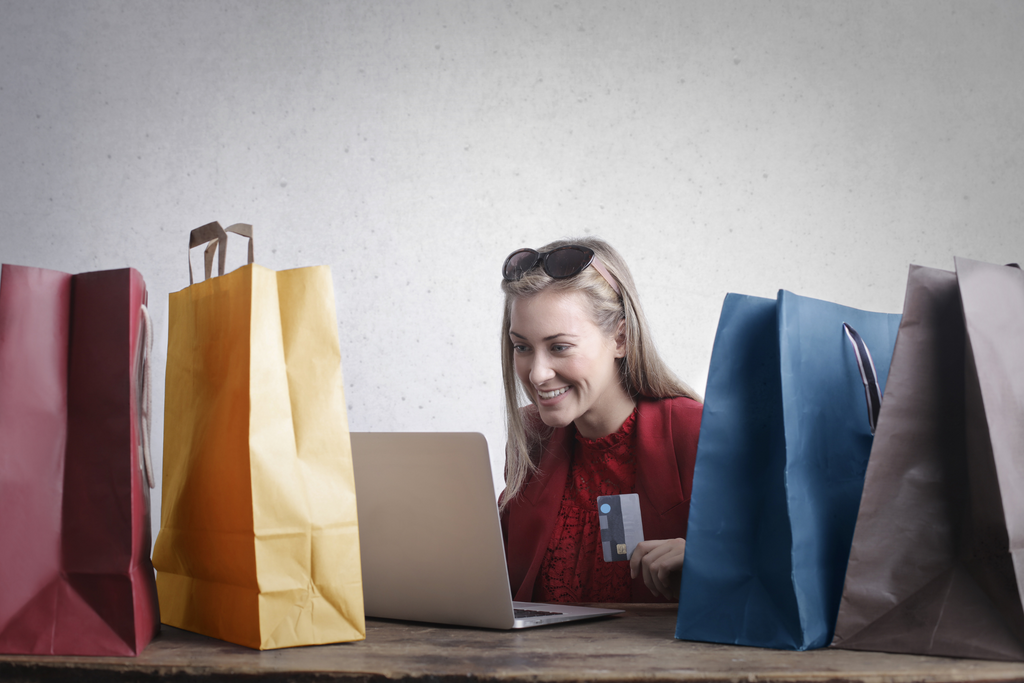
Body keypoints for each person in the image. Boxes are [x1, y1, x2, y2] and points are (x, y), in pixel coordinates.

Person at [498, 237, 703, 603]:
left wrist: (713, 563)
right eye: (522, 347)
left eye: (559, 346)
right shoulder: (533, 438)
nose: (537, 373)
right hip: (539, 659)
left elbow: (779, 563)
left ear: (620, 338)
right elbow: (499, 578)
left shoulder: (695, 433)